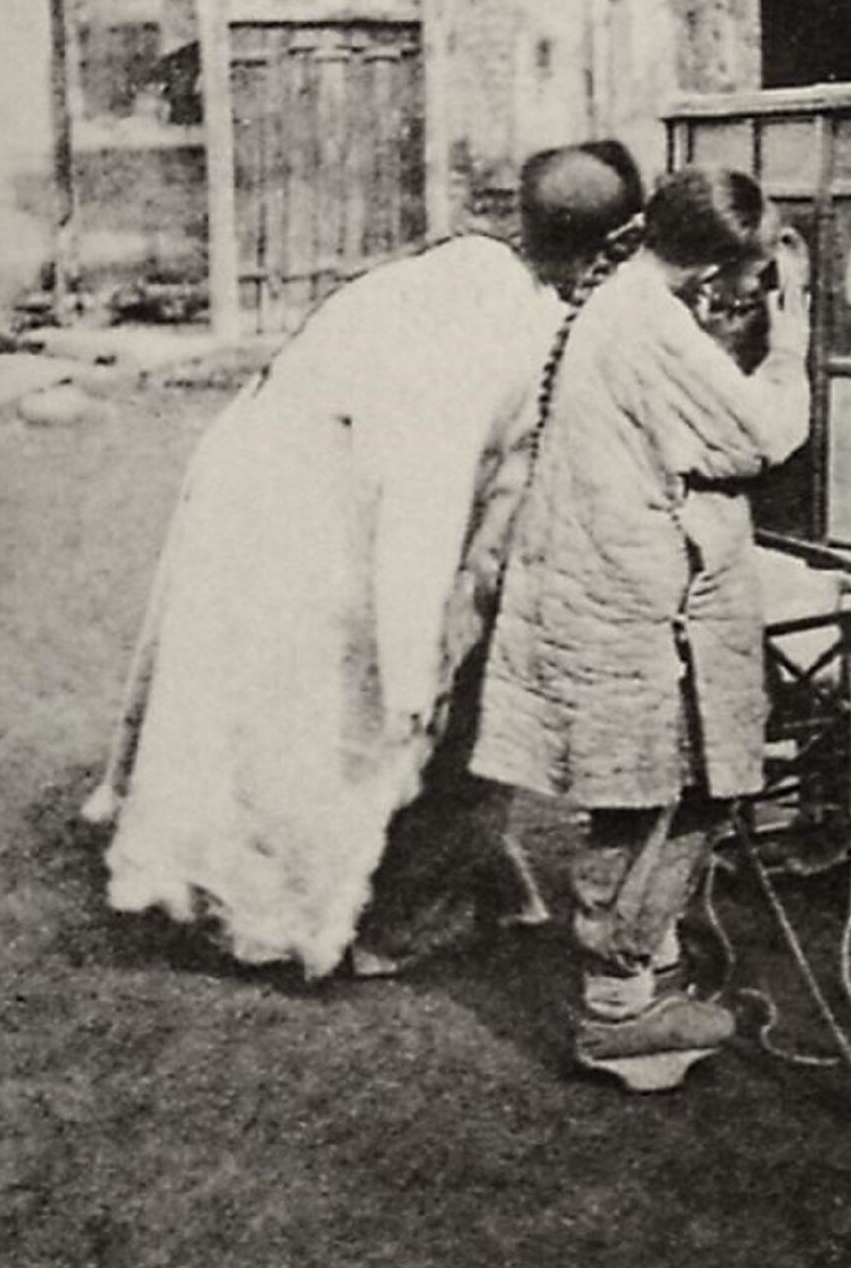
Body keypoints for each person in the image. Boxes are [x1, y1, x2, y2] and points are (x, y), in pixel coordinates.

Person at [81, 142, 644, 979]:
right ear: (608, 249)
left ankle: (339, 876)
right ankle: (322, 910)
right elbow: (423, 500)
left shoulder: (470, 272)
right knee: (338, 708)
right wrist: (416, 664)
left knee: (268, 698)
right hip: (309, 508)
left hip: (269, 471)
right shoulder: (492, 328)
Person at [467, 166, 811, 1093]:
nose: (759, 290)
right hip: (634, 593)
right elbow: (764, 435)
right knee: (673, 784)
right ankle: (619, 1008)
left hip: (608, 578)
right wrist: (794, 341)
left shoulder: (627, 298)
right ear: (712, 270)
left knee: (645, 783)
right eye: (755, 272)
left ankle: (640, 972)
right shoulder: (651, 325)